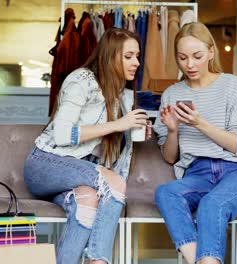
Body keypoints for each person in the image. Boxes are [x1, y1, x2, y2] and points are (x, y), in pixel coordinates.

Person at [24, 28, 149, 264]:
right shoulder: (82, 80)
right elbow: (62, 134)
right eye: (129, 56)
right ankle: (97, 260)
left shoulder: (123, 95)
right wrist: (117, 124)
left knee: (87, 200)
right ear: (111, 56)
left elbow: (113, 154)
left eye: (138, 56)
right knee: (114, 184)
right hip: (46, 164)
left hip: (79, 174)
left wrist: (130, 132)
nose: (137, 62)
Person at [153, 22, 237, 264]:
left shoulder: (231, 85)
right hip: (199, 173)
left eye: (197, 56)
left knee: (211, 204)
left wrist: (199, 123)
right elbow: (169, 157)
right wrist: (173, 131)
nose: (190, 64)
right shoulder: (171, 94)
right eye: (182, 58)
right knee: (166, 193)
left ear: (211, 52)